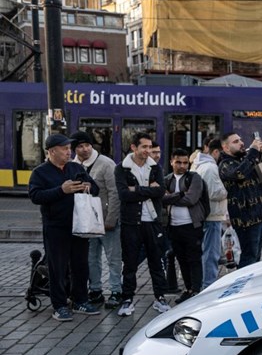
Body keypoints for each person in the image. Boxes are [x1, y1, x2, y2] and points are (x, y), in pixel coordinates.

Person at [27, 134, 103, 321]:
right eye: (64, 149)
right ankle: (59, 305)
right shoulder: (40, 172)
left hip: (80, 225)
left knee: (80, 266)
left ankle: (80, 301)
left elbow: (95, 188)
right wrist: (62, 190)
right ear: (52, 151)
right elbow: (35, 196)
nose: (69, 151)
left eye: (69, 148)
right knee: (57, 268)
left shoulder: (76, 167)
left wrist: (87, 186)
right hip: (55, 227)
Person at [116, 132, 171, 317]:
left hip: (153, 221)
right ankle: (127, 299)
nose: (148, 151)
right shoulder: (121, 169)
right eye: (144, 147)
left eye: (150, 147)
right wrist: (149, 190)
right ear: (134, 148)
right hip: (131, 223)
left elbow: (161, 191)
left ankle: (160, 298)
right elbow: (124, 195)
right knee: (130, 263)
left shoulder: (155, 167)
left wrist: (137, 189)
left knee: (157, 262)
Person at [70, 130, 122, 309]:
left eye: (87, 145)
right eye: (80, 146)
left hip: (106, 220)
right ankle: (95, 290)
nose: (85, 149)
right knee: (91, 257)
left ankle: (116, 290)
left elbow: (115, 192)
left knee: (113, 257)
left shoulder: (106, 164)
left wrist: (111, 219)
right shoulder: (73, 165)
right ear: (74, 148)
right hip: (86, 221)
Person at [218, 132, 262, 267]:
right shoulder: (225, 164)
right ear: (226, 148)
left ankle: (253, 286)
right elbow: (239, 174)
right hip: (246, 219)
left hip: (259, 215)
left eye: (241, 140)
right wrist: (253, 152)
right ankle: (243, 286)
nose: (241, 143)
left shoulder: (246, 160)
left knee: (256, 257)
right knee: (249, 257)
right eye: (235, 141)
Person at [163, 148, 205, 303]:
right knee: (181, 260)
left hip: (192, 226)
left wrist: (171, 197)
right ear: (171, 162)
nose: (182, 166)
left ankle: (196, 291)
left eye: (185, 162)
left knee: (194, 259)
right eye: (178, 162)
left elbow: (191, 199)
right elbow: (160, 199)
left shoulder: (194, 178)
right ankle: (188, 289)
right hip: (173, 226)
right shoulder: (167, 179)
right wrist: (180, 194)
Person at [192, 137, 227, 287]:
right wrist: (229, 188)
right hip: (212, 214)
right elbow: (214, 192)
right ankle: (209, 285)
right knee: (211, 253)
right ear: (216, 152)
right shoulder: (211, 168)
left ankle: (205, 283)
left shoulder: (198, 164)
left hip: (205, 213)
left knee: (207, 251)